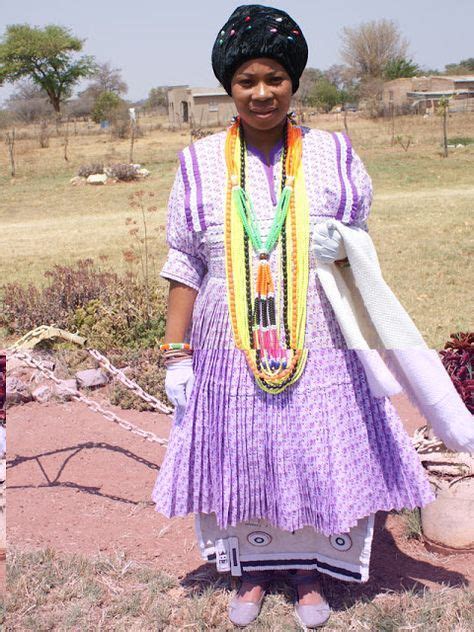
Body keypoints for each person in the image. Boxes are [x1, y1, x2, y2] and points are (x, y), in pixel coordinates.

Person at [152, 5, 436, 628]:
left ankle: (309, 572)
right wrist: (176, 353)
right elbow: (183, 263)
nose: (261, 93)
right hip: (229, 341)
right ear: (228, 84)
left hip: (322, 338)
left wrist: (346, 243)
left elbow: (360, 244)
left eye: (275, 78)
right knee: (245, 450)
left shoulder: (333, 155)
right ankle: (251, 571)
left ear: (294, 82)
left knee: (312, 451)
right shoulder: (197, 164)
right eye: (247, 79)